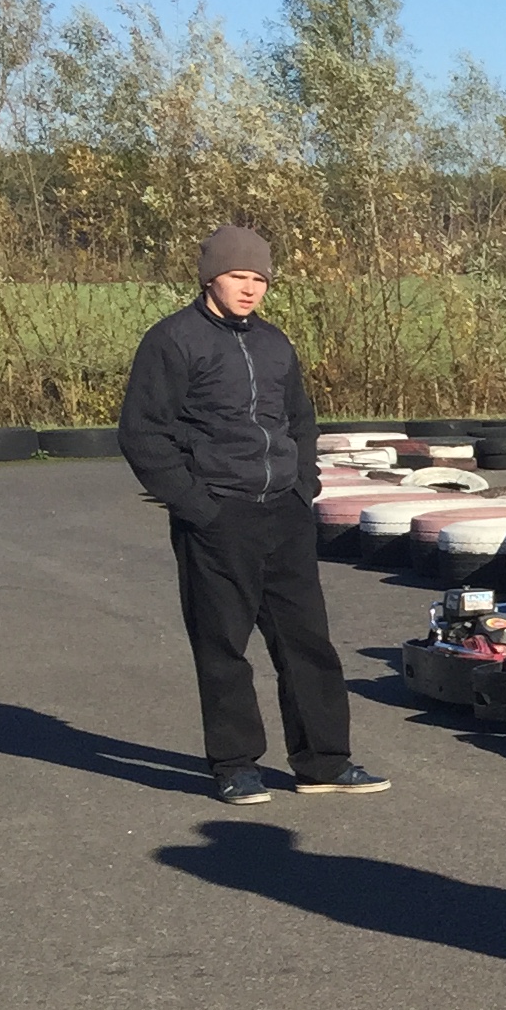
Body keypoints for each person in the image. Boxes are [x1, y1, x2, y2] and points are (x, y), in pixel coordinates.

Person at [118, 221, 388, 805]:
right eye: (238, 276)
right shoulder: (172, 341)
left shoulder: (274, 343)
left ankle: (323, 762)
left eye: (259, 279)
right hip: (218, 516)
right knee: (223, 647)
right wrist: (196, 504)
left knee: (307, 642)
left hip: (284, 513)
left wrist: (303, 487)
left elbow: (300, 423)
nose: (249, 289)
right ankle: (235, 765)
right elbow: (143, 433)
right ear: (210, 277)